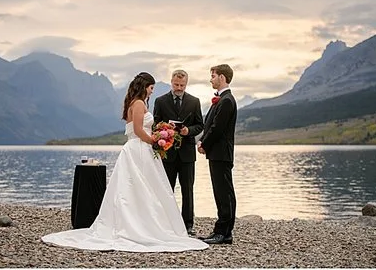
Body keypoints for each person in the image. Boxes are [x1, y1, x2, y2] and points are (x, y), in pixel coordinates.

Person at [38, 72, 208, 253]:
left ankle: (144, 222)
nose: (152, 92)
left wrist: (159, 136)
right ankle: (140, 225)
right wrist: (154, 140)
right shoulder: (139, 103)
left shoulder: (135, 102)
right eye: (151, 88)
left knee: (142, 187)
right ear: (145, 87)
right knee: (141, 187)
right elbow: (137, 130)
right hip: (139, 148)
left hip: (140, 148)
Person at [152, 70, 204, 231]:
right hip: (168, 153)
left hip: (187, 153)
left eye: (182, 85)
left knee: (188, 190)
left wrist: (188, 131)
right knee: (167, 189)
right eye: (176, 84)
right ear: (171, 82)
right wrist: (165, 128)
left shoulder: (194, 101)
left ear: (186, 84)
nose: (179, 88)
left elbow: (200, 125)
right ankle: (166, 223)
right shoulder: (160, 101)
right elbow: (155, 124)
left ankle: (188, 225)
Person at [200, 64, 240, 245]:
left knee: (223, 192)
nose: (211, 79)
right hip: (219, 153)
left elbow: (217, 128)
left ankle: (223, 232)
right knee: (223, 191)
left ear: (222, 77)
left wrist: (204, 144)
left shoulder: (226, 100)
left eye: (213, 76)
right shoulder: (223, 99)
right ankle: (224, 231)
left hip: (220, 153)